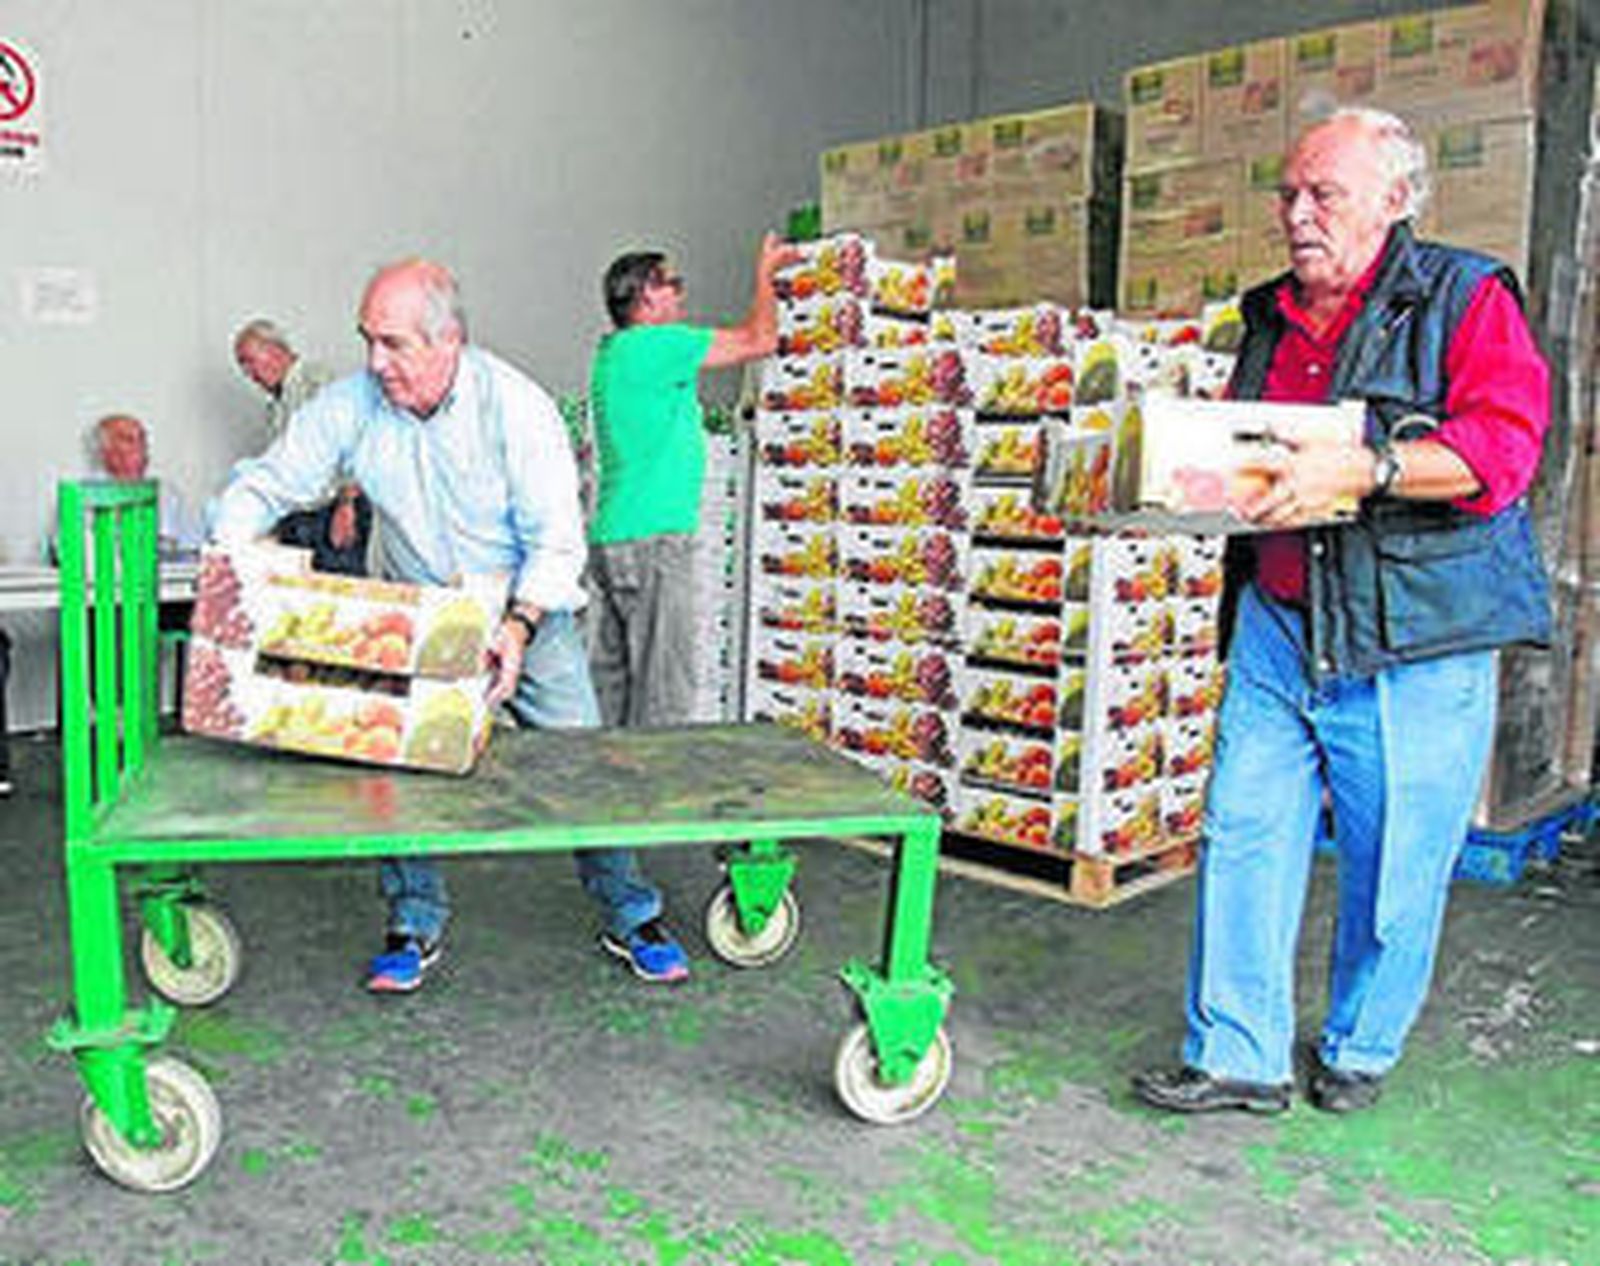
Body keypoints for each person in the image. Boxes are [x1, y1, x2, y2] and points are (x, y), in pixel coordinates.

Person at [1132, 107, 1551, 1116]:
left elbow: (1502, 453)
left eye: (1324, 194)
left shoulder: (1462, 297)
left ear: (1395, 201)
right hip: (1280, 625)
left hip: (1410, 639)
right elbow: (1252, 454)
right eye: (1287, 194)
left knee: (1393, 862)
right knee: (1243, 831)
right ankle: (1238, 1052)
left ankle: (1360, 1044)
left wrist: (1371, 465)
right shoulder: (1267, 316)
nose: (1296, 215)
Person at [210, 258, 689, 992]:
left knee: (581, 765)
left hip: (525, 611)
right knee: (394, 771)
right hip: (415, 612)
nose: (376, 362)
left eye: (394, 344)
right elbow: (270, 480)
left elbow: (557, 540)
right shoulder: (351, 404)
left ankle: (631, 910)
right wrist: (237, 553)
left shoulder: (515, 408)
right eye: (368, 339)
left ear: (449, 340)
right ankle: (413, 919)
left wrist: (521, 627)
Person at [587, 233, 798, 727]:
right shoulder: (657, 344)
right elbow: (759, 341)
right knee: (665, 701)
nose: (682, 296)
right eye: (674, 286)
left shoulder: (614, 353)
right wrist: (766, 275)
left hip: (614, 538)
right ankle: (657, 802)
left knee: (614, 702)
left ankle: (613, 800)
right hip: (655, 543)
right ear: (646, 295)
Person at [233, 318, 370, 575]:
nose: (249, 374)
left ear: (275, 350)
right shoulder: (275, 406)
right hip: (302, 518)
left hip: (332, 512)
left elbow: (353, 443)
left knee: (339, 600)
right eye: (243, 367)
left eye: (249, 361)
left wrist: (346, 506)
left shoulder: (316, 381)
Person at [90, 413, 205, 559]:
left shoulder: (167, 493)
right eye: (128, 440)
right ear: (105, 451)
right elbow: (66, 553)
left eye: (142, 439)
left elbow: (192, 549)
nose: (140, 447)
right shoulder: (84, 494)